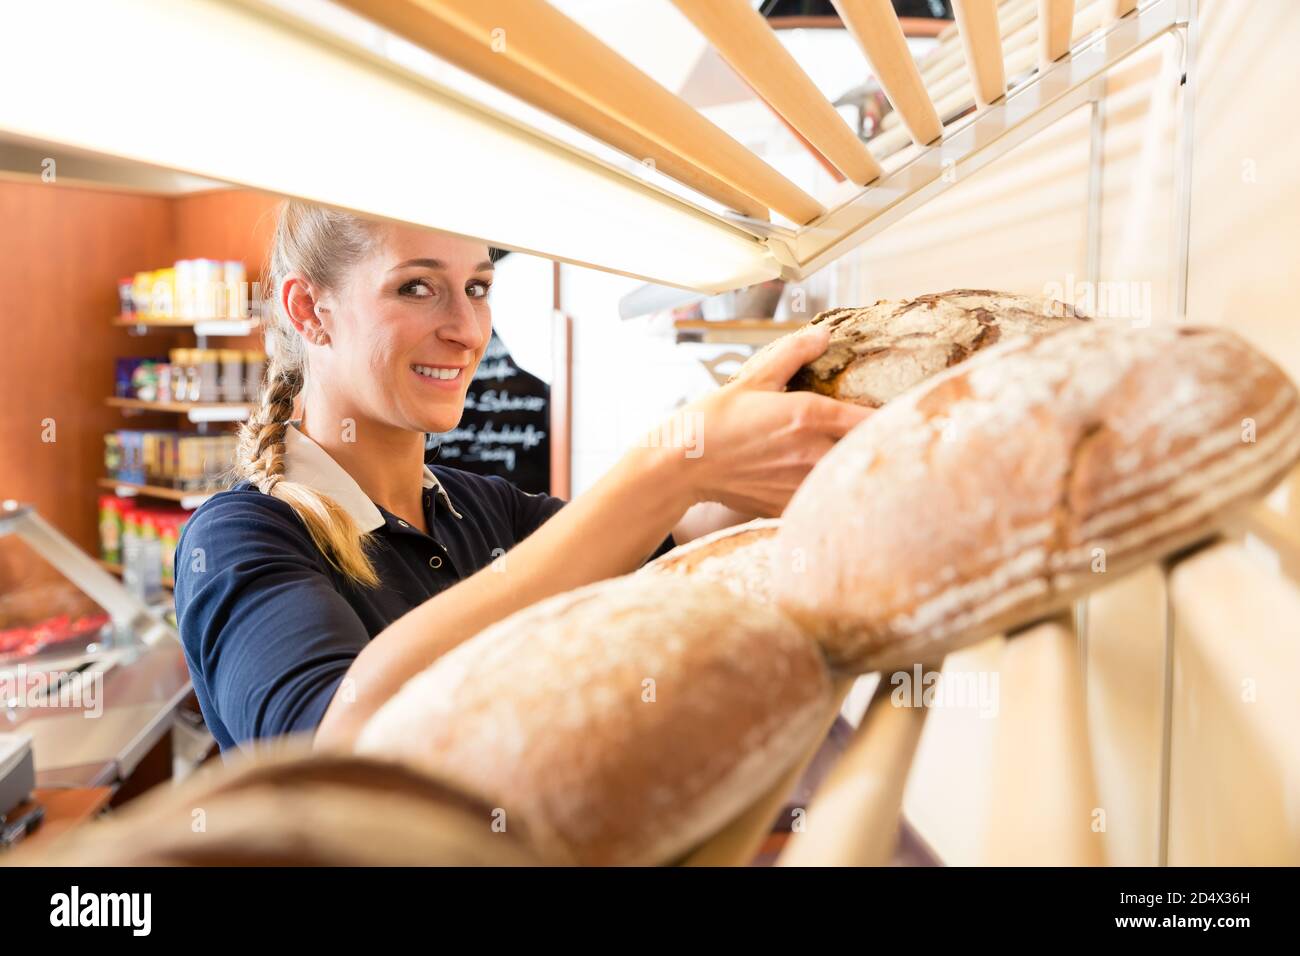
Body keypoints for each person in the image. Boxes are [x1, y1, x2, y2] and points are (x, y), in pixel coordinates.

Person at [174, 202, 869, 753]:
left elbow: (674, 538)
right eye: (417, 287)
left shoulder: (483, 510)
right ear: (307, 311)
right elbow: (336, 752)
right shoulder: (241, 540)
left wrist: (812, 414)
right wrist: (670, 464)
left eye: (477, 287)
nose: (467, 328)